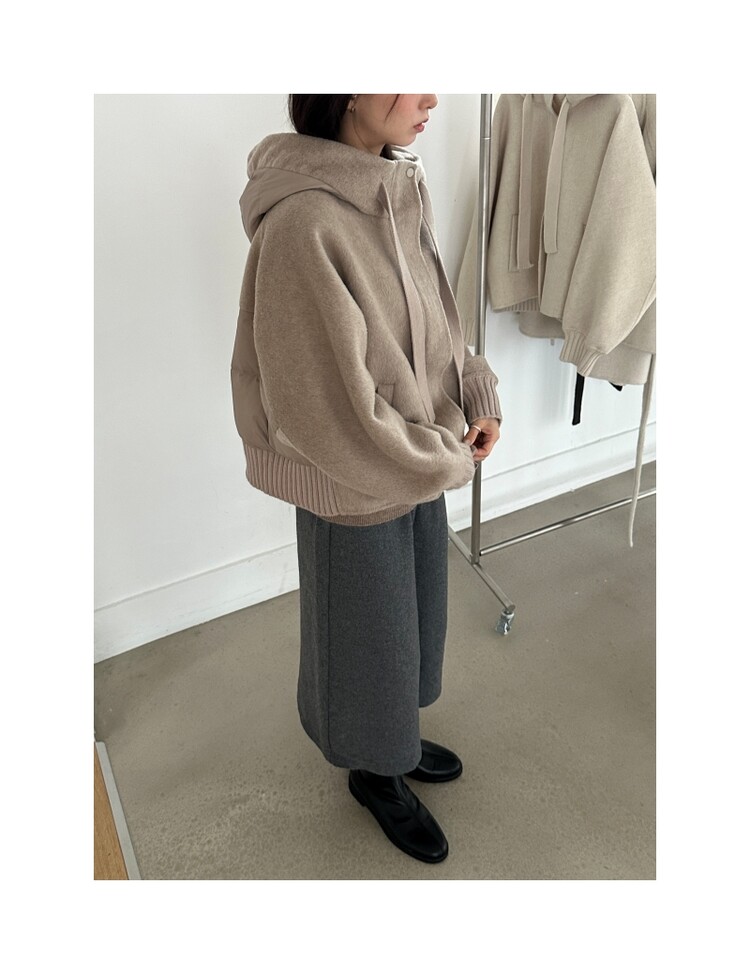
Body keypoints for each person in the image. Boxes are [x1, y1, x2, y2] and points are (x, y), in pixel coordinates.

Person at [231, 94, 502, 865]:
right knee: (364, 640)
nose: (429, 97)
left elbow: (438, 318)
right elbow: (327, 412)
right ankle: (373, 771)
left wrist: (474, 394)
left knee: (410, 620)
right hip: (354, 475)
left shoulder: (395, 184)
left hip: (416, 453)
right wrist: (444, 457)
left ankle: (394, 741)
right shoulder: (303, 224)